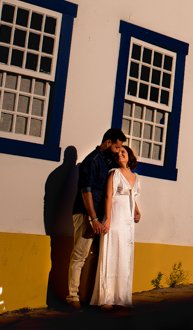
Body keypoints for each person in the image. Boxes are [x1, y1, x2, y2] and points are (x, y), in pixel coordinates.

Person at [67, 128, 125, 309]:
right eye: (117, 147)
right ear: (108, 143)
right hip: (86, 215)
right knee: (80, 256)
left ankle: (88, 297)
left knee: (96, 257)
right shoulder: (90, 161)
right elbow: (86, 191)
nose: (118, 151)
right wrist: (93, 219)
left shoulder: (109, 162)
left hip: (100, 219)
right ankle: (72, 297)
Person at [91, 144, 141, 309]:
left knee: (124, 257)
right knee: (111, 254)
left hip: (128, 222)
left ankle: (121, 297)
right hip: (115, 218)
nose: (120, 154)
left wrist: (137, 211)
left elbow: (134, 197)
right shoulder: (114, 173)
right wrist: (108, 219)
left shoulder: (137, 177)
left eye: (123, 152)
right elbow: (108, 196)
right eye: (118, 153)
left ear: (129, 156)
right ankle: (106, 298)